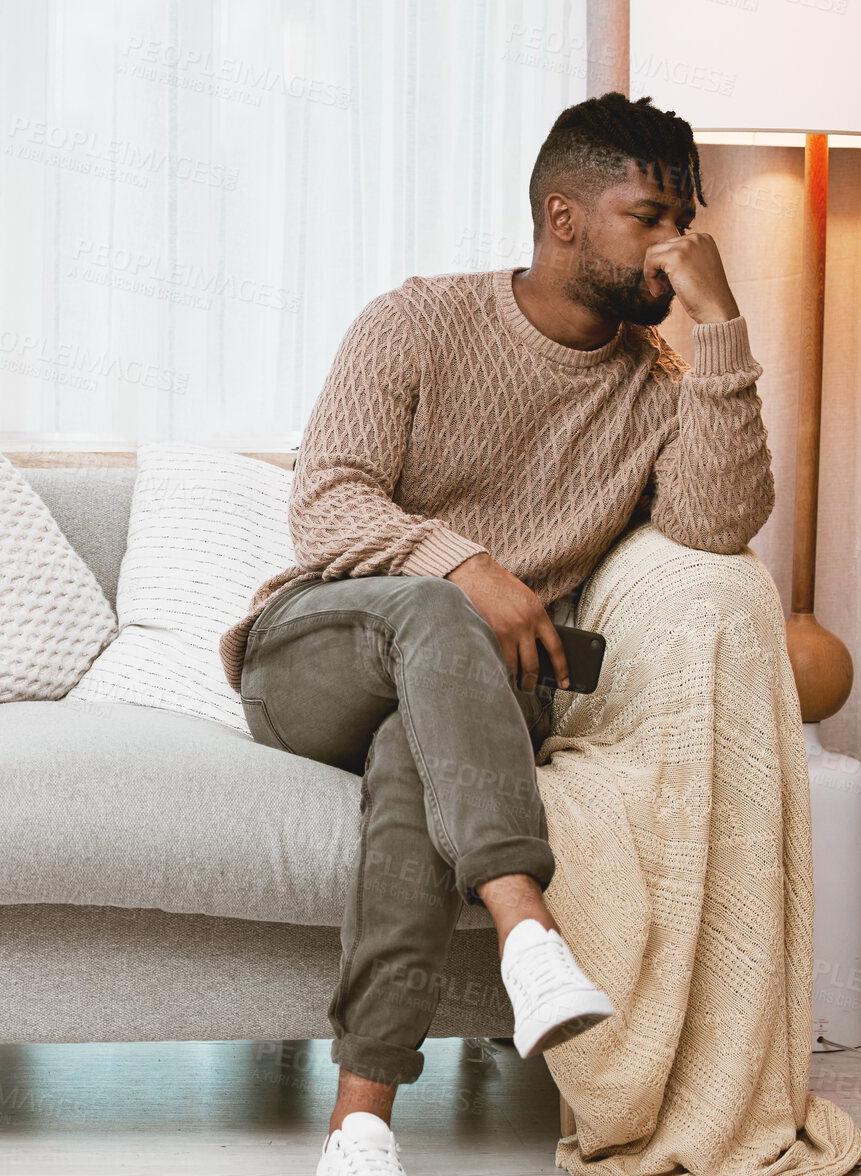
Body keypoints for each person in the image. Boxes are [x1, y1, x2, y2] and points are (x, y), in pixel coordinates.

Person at [219, 91, 774, 1176]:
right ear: (563, 217)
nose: (678, 247)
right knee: (438, 609)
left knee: (412, 773)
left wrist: (722, 332)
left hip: (466, 695)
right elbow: (325, 501)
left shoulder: (659, 385)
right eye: (650, 216)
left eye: (688, 223)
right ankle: (528, 926)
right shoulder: (416, 320)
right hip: (317, 653)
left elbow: (715, 523)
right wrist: (470, 568)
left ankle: (361, 1126)